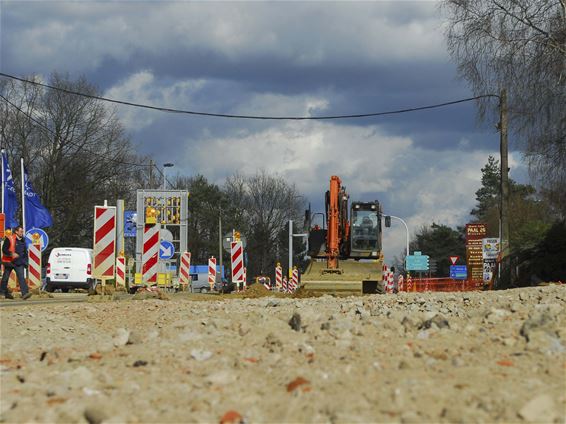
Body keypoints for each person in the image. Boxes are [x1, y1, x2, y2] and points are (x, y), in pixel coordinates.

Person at [0, 226, 31, 300]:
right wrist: (11, 254)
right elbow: (4, 249)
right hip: (9, 262)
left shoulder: (23, 240)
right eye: (20, 231)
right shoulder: (9, 238)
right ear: (16, 232)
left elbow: (25, 252)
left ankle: (25, 294)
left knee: (21, 278)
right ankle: (2, 293)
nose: (22, 233)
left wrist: (26, 262)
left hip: (19, 263)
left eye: (22, 231)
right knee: (5, 278)